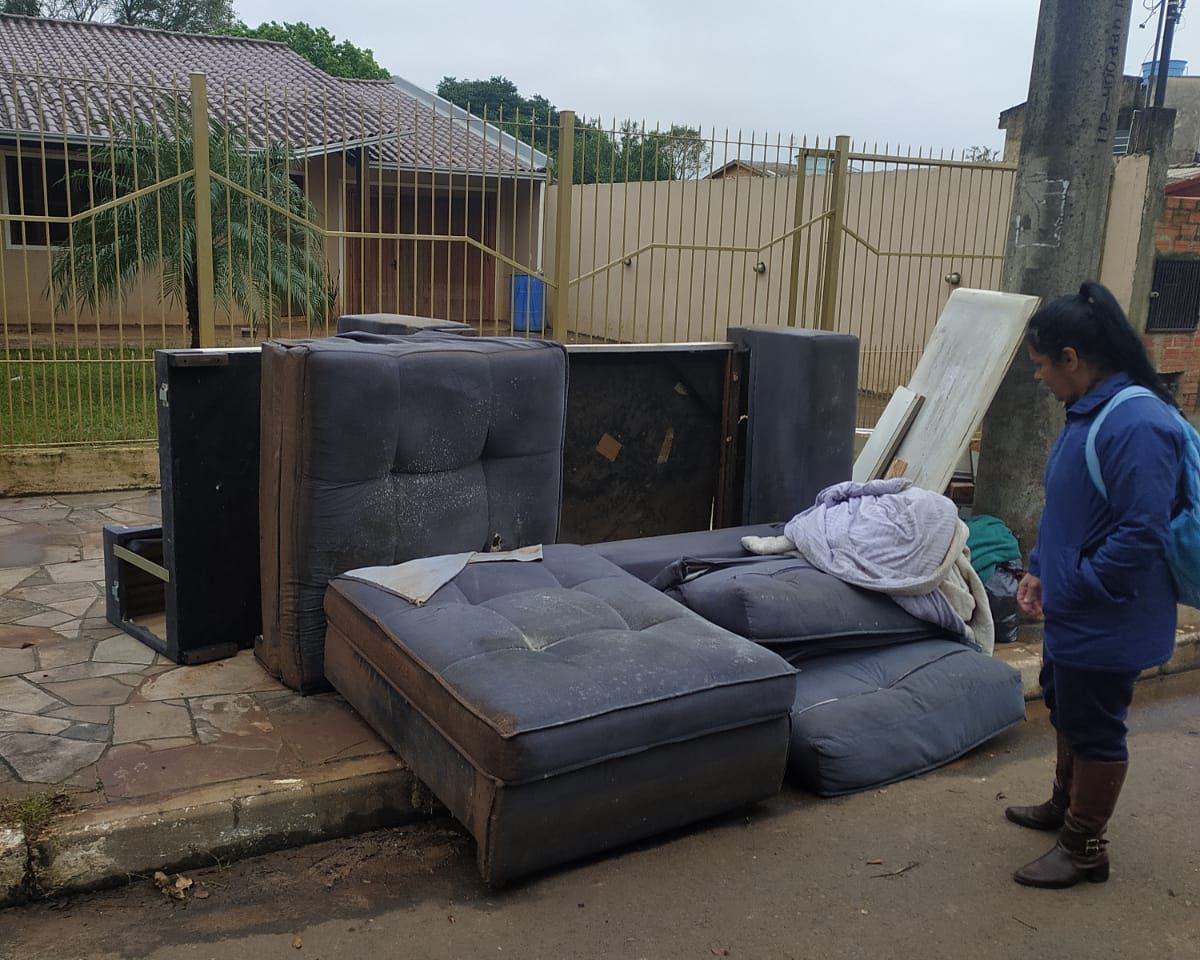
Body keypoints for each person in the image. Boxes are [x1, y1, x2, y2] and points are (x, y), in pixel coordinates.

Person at [1008, 280, 1186, 889]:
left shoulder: (1136, 422)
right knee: (1068, 706)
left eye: (1041, 365)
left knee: (1097, 725)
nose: (1039, 377)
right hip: (1076, 607)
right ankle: (1065, 806)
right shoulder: (1089, 410)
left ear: (1072, 358)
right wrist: (1040, 567)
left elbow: (1142, 532)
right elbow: (1071, 508)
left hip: (1109, 613)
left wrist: (1081, 583)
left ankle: (1084, 846)